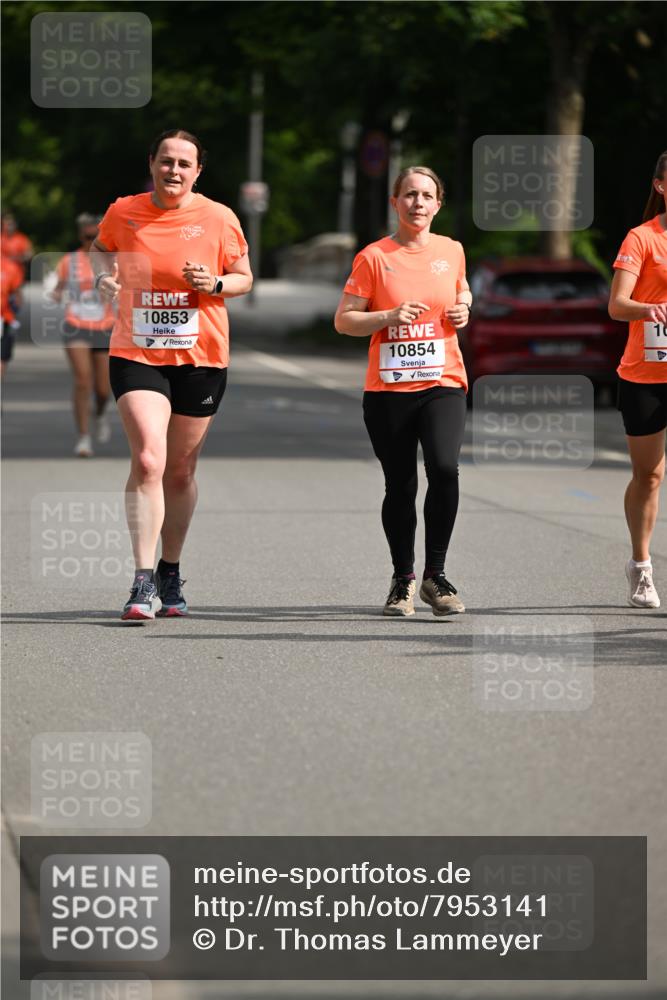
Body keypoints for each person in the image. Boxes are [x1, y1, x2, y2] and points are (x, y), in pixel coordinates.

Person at [92, 128, 253, 621]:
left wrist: (218, 283)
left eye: (184, 164)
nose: (174, 171)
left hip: (201, 357)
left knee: (180, 471)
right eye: (166, 161)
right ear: (152, 163)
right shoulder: (125, 210)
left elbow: (245, 277)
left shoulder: (219, 217)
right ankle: (141, 580)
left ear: (197, 171)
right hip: (137, 352)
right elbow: (102, 249)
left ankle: (170, 568)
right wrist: (106, 275)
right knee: (147, 460)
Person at [334, 166, 470, 617]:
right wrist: (387, 316)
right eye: (409, 194)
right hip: (389, 388)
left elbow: (461, 292)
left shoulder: (451, 251)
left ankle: (436, 574)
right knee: (401, 485)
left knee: (445, 468)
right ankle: (404, 579)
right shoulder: (374, 257)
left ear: (438, 204)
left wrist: (464, 309)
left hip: (442, 381)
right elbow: (345, 319)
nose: (418, 203)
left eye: (426, 195)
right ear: (395, 202)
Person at [609, 150, 667, 609]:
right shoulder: (642, 238)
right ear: (661, 186)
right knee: (649, 475)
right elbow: (616, 305)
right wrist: (648, 308)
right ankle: (641, 566)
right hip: (646, 373)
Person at [51, 214, 115, 456]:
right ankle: (84, 437)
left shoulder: (111, 260)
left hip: (105, 326)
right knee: (82, 381)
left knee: (102, 388)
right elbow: (58, 288)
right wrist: (57, 295)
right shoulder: (70, 261)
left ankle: (100, 413)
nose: (90, 242)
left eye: (94, 237)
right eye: (87, 237)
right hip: (76, 324)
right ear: (80, 236)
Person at [1, 252, 23, 377]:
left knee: (2, 360)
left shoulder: (10, 267)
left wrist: (15, 311)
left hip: (5, 319)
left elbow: (17, 294)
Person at [1, 212, 33, 280]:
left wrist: (18, 258)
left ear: (15, 225)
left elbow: (29, 255)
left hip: (17, 270)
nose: (9, 227)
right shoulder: (1, 238)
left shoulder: (22, 239)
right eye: (6, 224)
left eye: (11, 224)